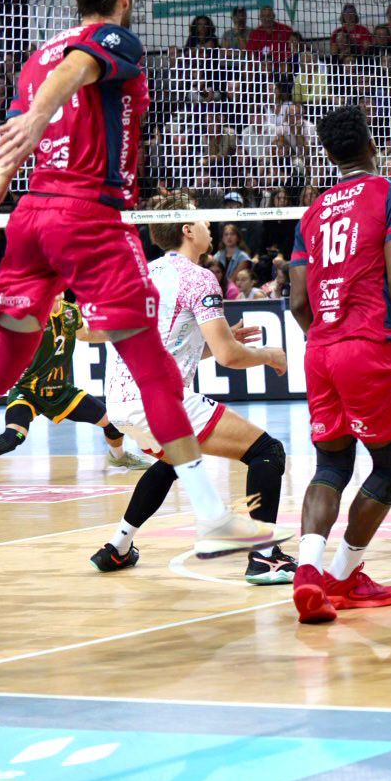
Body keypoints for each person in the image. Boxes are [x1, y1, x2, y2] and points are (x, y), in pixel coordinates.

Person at [0, 0, 287, 558]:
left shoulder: (35, 60)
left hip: (30, 221)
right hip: (88, 218)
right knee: (154, 368)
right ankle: (213, 517)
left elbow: (8, 155)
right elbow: (80, 66)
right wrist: (39, 117)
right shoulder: (112, 41)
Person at [90, 193, 294, 583]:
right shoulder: (198, 277)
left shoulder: (141, 274)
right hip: (157, 400)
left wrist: (217, 341)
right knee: (267, 451)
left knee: (172, 460)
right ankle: (265, 557)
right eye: (202, 219)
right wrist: (268, 354)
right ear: (187, 230)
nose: (209, 225)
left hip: (118, 404)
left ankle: (117, 547)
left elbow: (169, 347)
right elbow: (229, 357)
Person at [286, 105, 391, 624]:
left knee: (331, 466)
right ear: (372, 145)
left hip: (319, 349)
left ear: (328, 154)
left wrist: (326, 339)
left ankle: (307, 571)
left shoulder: (311, 214)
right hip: (368, 345)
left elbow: (297, 302)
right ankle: (343, 577)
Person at [0, 295, 155, 489]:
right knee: (13, 437)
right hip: (28, 392)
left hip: (61, 392)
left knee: (113, 422)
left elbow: (85, 335)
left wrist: (118, 335)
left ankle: (118, 457)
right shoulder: (31, 317)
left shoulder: (71, 311)